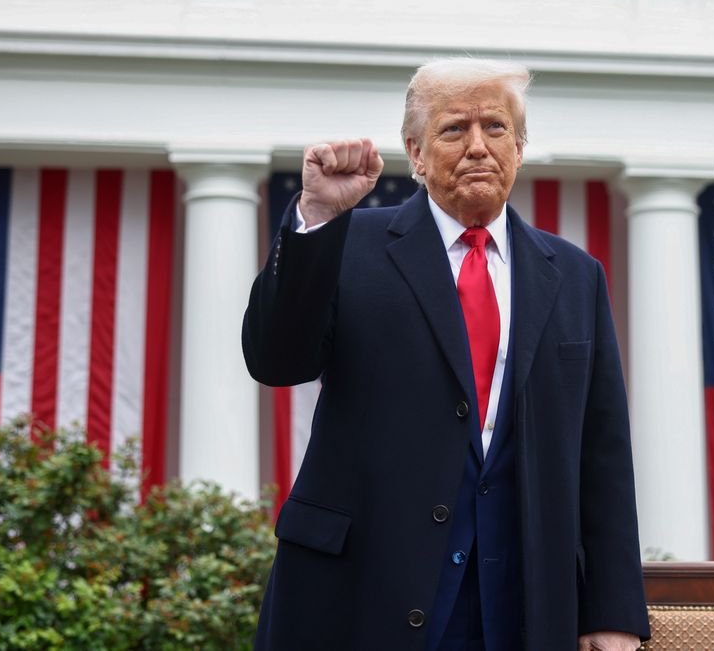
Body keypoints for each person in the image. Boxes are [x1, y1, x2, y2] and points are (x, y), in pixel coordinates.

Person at [243, 58, 649, 651]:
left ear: (521, 145)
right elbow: (275, 361)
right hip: (362, 595)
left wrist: (611, 612)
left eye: (496, 128)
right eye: (455, 129)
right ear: (417, 153)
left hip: (523, 603)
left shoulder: (575, 275)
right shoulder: (348, 243)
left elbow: (603, 452)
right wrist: (317, 220)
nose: (479, 147)